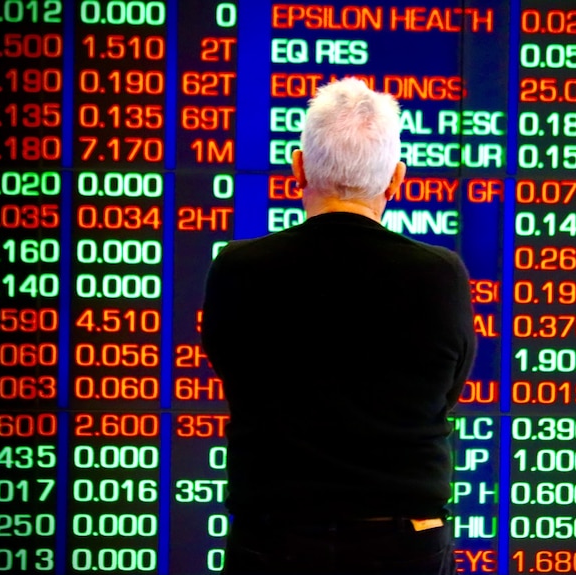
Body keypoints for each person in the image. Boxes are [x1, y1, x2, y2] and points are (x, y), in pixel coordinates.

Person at [201, 77, 477, 575]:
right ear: (396, 178)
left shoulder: (239, 267)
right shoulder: (440, 275)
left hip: (274, 537)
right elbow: (448, 387)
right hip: (404, 542)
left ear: (299, 168)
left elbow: (230, 369)